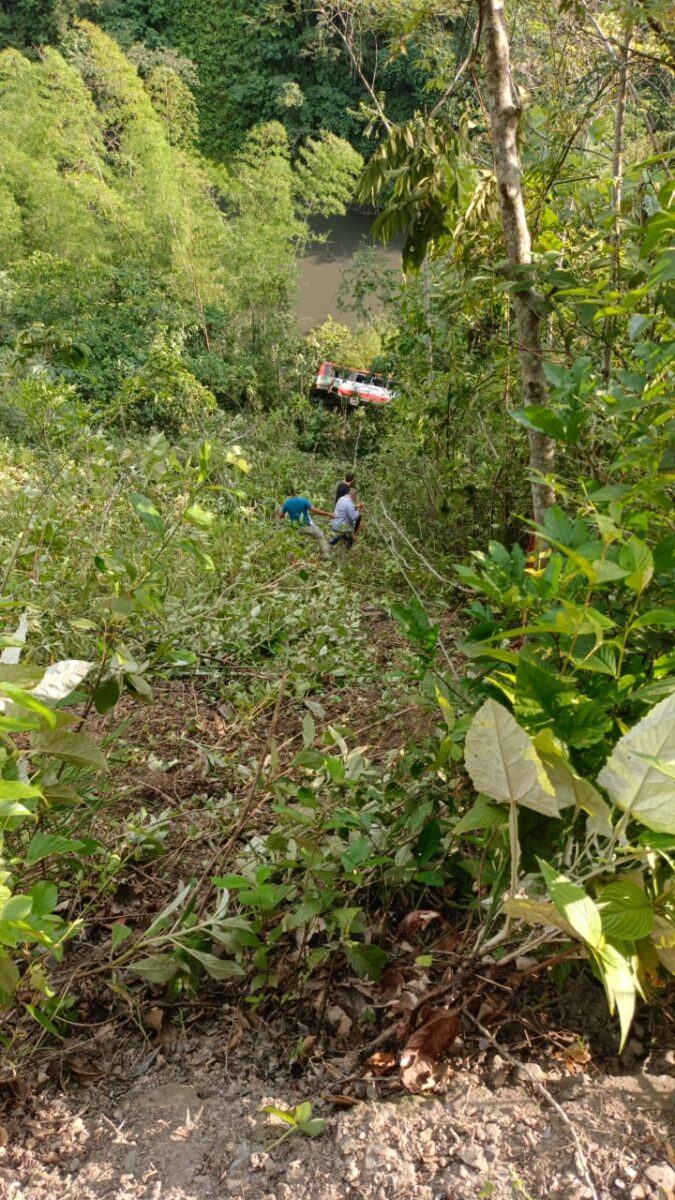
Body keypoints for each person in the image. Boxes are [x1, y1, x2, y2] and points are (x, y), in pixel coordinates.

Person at [277, 489, 332, 556]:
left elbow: (281, 516)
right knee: (320, 537)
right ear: (298, 493)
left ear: (290, 494)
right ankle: (326, 555)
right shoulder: (304, 500)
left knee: (298, 542)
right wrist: (328, 514)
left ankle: (300, 556)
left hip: (296, 528)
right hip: (307, 525)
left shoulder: (287, 503)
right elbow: (314, 510)